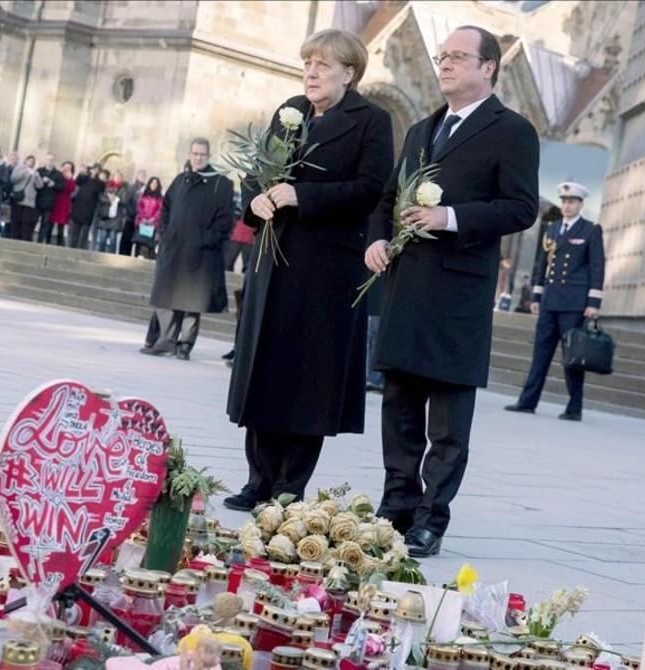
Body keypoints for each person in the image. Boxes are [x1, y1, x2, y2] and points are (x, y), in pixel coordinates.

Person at [365, 26, 539, 557]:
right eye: (442, 57)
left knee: (447, 420)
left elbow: (521, 208)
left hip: (458, 296)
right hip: (405, 286)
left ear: (488, 67)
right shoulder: (421, 129)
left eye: (458, 57)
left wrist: (451, 217)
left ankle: (430, 519)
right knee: (397, 407)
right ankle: (395, 506)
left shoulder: (511, 130)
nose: (445, 65)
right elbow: (388, 197)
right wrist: (375, 239)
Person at [224, 29, 394, 510]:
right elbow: (259, 173)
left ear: (349, 72)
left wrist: (305, 195)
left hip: (325, 269)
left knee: (306, 377)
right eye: (308, 63)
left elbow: (371, 189)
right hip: (274, 261)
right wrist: (254, 200)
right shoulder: (289, 111)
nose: (312, 72)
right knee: (264, 367)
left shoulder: (371, 121)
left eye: (323, 64)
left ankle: (288, 486)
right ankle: (257, 479)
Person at [505, 182, 605, 421]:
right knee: (540, 354)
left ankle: (574, 408)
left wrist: (593, 303)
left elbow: (597, 267)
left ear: (580, 204)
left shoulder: (590, 230)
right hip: (550, 301)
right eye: (564, 201)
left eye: (572, 202)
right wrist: (536, 296)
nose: (567, 206)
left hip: (575, 303)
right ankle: (527, 402)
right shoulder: (552, 229)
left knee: (572, 357)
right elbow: (543, 264)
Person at [141, 139, 234, 361]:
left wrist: (204, 239)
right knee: (165, 297)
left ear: (209, 155)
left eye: (202, 154)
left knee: (193, 302)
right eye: (195, 153)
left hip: (200, 253)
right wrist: (165, 233)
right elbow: (166, 209)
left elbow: (225, 221)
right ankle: (166, 341)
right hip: (174, 249)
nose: (198, 157)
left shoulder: (221, 184)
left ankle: (184, 345)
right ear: (189, 154)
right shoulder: (180, 179)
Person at [6, 153, 42, 241]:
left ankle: (24, 238)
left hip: (29, 202)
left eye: (33, 162)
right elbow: (13, 179)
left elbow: (40, 186)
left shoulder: (35, 172)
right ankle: (15, 237)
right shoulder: (19, 168)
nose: (31, 163)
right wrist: (25, 172)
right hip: (18, 198)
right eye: (29, 161)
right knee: (16, 219)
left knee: (26, 222)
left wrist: (36, 176)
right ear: (25, 161)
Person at [68, 166, 105, 249]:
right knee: (74, 231)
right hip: (78, 208)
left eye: (97, 170)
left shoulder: (100, 183)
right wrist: (82, 172)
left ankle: (80, 249)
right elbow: (77, 181)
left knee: (84, 233)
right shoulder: (84, 178)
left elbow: (100, 194)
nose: (95, 171)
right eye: (94, 169)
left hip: (89, 210)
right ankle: (70, 248)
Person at [35, 153, 64, 243]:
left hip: (49, 202)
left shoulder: (58, 174)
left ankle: (39, 242)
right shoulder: (39, 171)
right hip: (37, 200)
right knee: (33, 221)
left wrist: (53, 184)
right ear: (45, 160)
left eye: (51, 160)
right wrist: (40, 181)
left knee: (45, 223)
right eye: (48, 160)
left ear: (54, 161)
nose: (49, 162)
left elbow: (61, 187)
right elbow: (33, 183)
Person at [132, 176, 163, 259]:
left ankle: (147, 260)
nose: (154, 185)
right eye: (152, 182)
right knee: (139, 242)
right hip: (142, 222)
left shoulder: (160, 198)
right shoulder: (143, 195)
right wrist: (143, 217)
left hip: (153, 224)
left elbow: (160, 210)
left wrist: (153, 219)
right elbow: (139, 206)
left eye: (156, 183)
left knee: (148, 244)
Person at [92, 173, 125, 253]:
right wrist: (109, 199)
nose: (118, 178)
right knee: (102, 237)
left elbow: (125, 200)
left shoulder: (124, 188)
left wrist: (116, 199)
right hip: (105, 216)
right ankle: (100, 255)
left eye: (119, 177)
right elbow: (100, 197)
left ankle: (111, 256)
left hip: (116, 218)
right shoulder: (106, 186)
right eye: (116, 176)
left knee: (113, 238)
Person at [118, 169, 147, 255]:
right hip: (131, 218)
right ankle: (123, 255)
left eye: (144, 176)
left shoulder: (145, 189)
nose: (143, 177)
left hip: (141, 220)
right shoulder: (132, 188)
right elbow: (127, 202)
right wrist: (134, 213)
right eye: (141, 175)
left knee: (138, 240)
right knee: (126, 239)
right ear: (137, 176)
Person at [47, 160, 75, 246]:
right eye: (65, 167)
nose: (66, 169)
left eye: (68, 168)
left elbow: (72, 189)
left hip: (64, 204)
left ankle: (59, 245)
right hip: (54, 202)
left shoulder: (71, 179)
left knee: (61, 227)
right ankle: (47, 242)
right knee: (49, 225)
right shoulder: (57, 175)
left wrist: (70, 178)